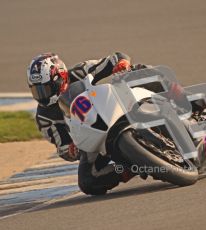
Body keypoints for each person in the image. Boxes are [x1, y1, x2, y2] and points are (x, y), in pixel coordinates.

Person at [27, 52, 140, 195]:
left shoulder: (79, 71)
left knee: (137, 70)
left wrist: (121, 63)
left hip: (111, 107)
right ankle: (133, 168)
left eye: (45, 89)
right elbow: (62, 147)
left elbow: (115, 58)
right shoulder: (44, 118)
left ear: (59, 79)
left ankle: (169, 95)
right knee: (87, 182)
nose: (42, 96)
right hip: (91, 139)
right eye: (37, 91)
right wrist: (71, 151)